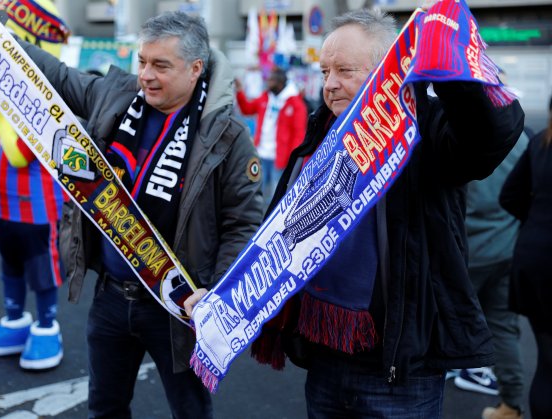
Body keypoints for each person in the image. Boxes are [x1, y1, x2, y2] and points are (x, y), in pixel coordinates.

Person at [187, 8, 525, 418]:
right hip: (325, 359)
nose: (330, 85)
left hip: (399, 373)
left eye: (344, 70)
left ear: (387, 71)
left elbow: (490, 134)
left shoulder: (426, 128)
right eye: (325, 71)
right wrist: (223, 298)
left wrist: (447, 66)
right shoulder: (320, 134)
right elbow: (276, 238)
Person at [0, 1, 265, 416]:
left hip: (178, 308)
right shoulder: (115, 96)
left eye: (161, 66)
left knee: (190, 410)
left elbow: (241, 223)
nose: (146, 75)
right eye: (142, 61)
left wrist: (217, 295)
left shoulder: (226, 135)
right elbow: (53, 75)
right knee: (104, 406)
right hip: (112, 297)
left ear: (196, 69)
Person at [0, 0, 69, 370]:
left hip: (37, 207)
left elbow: (21, 151)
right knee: (9, 266)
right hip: (6, 207)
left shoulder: (43, 101)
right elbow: (6, 160)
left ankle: (45, 327)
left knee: (41, 270)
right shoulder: (9, 99)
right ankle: (14, 321)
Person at [454, 129, 529, 419]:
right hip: (506, 248)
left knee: (432, 324)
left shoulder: (459, 135)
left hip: (467, 252)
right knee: (503, 328)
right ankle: (511, 404)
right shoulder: (521, 136)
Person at [500, 97, 552, 419]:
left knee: (547, 363)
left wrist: (537, 224)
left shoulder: (541, 143)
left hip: (533, 261)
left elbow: (509, 196)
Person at [235, 66, 307, 202]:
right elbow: (247, 109)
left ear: (280, 83)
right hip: (261, 154)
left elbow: (298, 135)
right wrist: (239, 91)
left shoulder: (296, 104)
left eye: (271, 80)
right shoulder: (265, 97)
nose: (268, 82)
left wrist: (292, 160)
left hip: (280, 159)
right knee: (256, 193)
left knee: (276, 197)